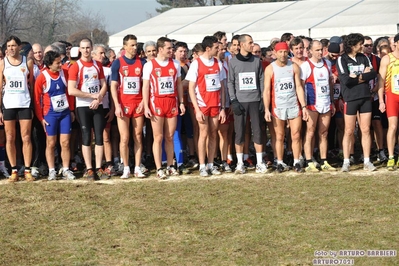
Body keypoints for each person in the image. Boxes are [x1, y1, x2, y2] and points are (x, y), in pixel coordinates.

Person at [142, 37, 185, 179]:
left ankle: (170, 165)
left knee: (170, 136)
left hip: (172, 103)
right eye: (169, 48)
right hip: (157, 104)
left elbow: (178, 84)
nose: (171, 51)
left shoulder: (175, 64)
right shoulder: (150, 65)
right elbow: (146, 86)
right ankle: (159, 167)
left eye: (172, 48)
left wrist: (181, 102)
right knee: (158, 137)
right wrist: (146, 105)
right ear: (160, 49)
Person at [263, 42, 308, 172]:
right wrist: (267, 109)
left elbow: (299, 87)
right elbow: (266, 90)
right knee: (279, 136)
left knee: (296, 134)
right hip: (278, 107)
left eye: (285, 52)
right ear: (275, 53)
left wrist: (303, 106)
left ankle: (297, 161)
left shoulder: (294, 66)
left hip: (293, 105)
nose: (283, 54)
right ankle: (280, 161)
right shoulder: (270, 69)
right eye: (280, 52)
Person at [68, 38, 108, 180]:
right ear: (79, 50)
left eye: (88, 48)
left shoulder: (97, 65)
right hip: (83, 106)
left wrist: (98, 98)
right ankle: (89, 168)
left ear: (92, 49)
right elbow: (71, 90)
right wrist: (91, 96)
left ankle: (98, 167)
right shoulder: (76, 66)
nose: (85, 51)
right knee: (86, 136)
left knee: (99, 136)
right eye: (83, 48)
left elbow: (104, 85)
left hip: (97, 105)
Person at [186, 35, 226, 176]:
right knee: (203, 134)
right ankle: (202, 165)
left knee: (213, 134)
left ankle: (211, 163)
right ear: (208, 48)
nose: (219, 49)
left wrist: (222, 108)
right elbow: (191, 87)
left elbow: (222, 86)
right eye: (216, 47)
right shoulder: (196, 63)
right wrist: (196, 109)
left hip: (215, 104)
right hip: (202, 105)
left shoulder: (218, 63)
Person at [228, 34, 267, 174]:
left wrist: (263, 99)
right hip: (240, 102)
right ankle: (239, 163)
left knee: (257, 131)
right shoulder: (233, 62)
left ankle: (260, 162)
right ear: (242, 44)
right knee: (239, 132)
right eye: (250, 42)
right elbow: (230, 82)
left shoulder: (257, 61)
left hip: (255, 101)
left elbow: (262, 80)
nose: (252, 45)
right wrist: (233, 100)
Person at [337, 33, 377, 172]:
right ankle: (346, 161)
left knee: (365, 129)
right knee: (349, 131)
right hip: (350, 98)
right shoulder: (342, 59)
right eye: (360, 44)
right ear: (353, 45)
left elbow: (372, 73)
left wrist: (358, 77)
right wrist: (363, 76)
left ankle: (367, 160)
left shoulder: (364, 57)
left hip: (365, 96)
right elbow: (346, 80)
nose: (362, 46)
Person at [34, 50, 76, 180]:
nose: (60, 65)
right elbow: (36, 99)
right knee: (51, 143)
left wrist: (72, 110)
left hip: (64, 114)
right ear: (49, 64)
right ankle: (52, 170)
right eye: (57, 63)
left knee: (65, 142)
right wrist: (41, 118)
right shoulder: (42, 77)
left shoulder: (65, 73)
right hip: (50, 114)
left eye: (60, 62)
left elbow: (69, 93)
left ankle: (66, 168)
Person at [110, 34, 147, 178]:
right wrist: (117, 105)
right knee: (124, 137)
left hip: (138, 103)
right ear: (125, 47)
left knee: (138, 136)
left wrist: (144, 102)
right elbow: (113, 86)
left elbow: (145, 85)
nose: (134, 47)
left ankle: (137, 167)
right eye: (131, 45)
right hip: (123, 104)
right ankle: (125, 167)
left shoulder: (142, 63)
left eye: (136, 44)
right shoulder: (118, 63)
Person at [0, 36, 35, 182]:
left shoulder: (28, 62)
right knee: (10, 137)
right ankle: (14, 170)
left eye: (14, 45)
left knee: (26, 137)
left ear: (19, 47)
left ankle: (27, 170)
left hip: (24, 104)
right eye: (8, 46)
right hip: (8, 105)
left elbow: (31, 86)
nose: (11, 48)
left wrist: (33, 106)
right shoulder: (3, 63)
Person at [300, 40, 336, 172]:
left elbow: (330, 84)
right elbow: (300, 87)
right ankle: (309, 161)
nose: (320, 52)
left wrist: (332, 101)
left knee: (324, 132)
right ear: (310, 51)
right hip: (312, 103)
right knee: (310, 132)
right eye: (317, 50)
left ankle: (323, 160)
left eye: (321, 49)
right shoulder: (305, 66)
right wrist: (303, 106)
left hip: (326, 102)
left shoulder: (327, 63)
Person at [378, 33, 399, 170]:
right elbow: (381, 80)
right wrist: (381, 100)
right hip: (392, 96)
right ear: (396, 43)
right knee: (392, 127)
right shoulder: (387, 59)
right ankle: (391, 156)